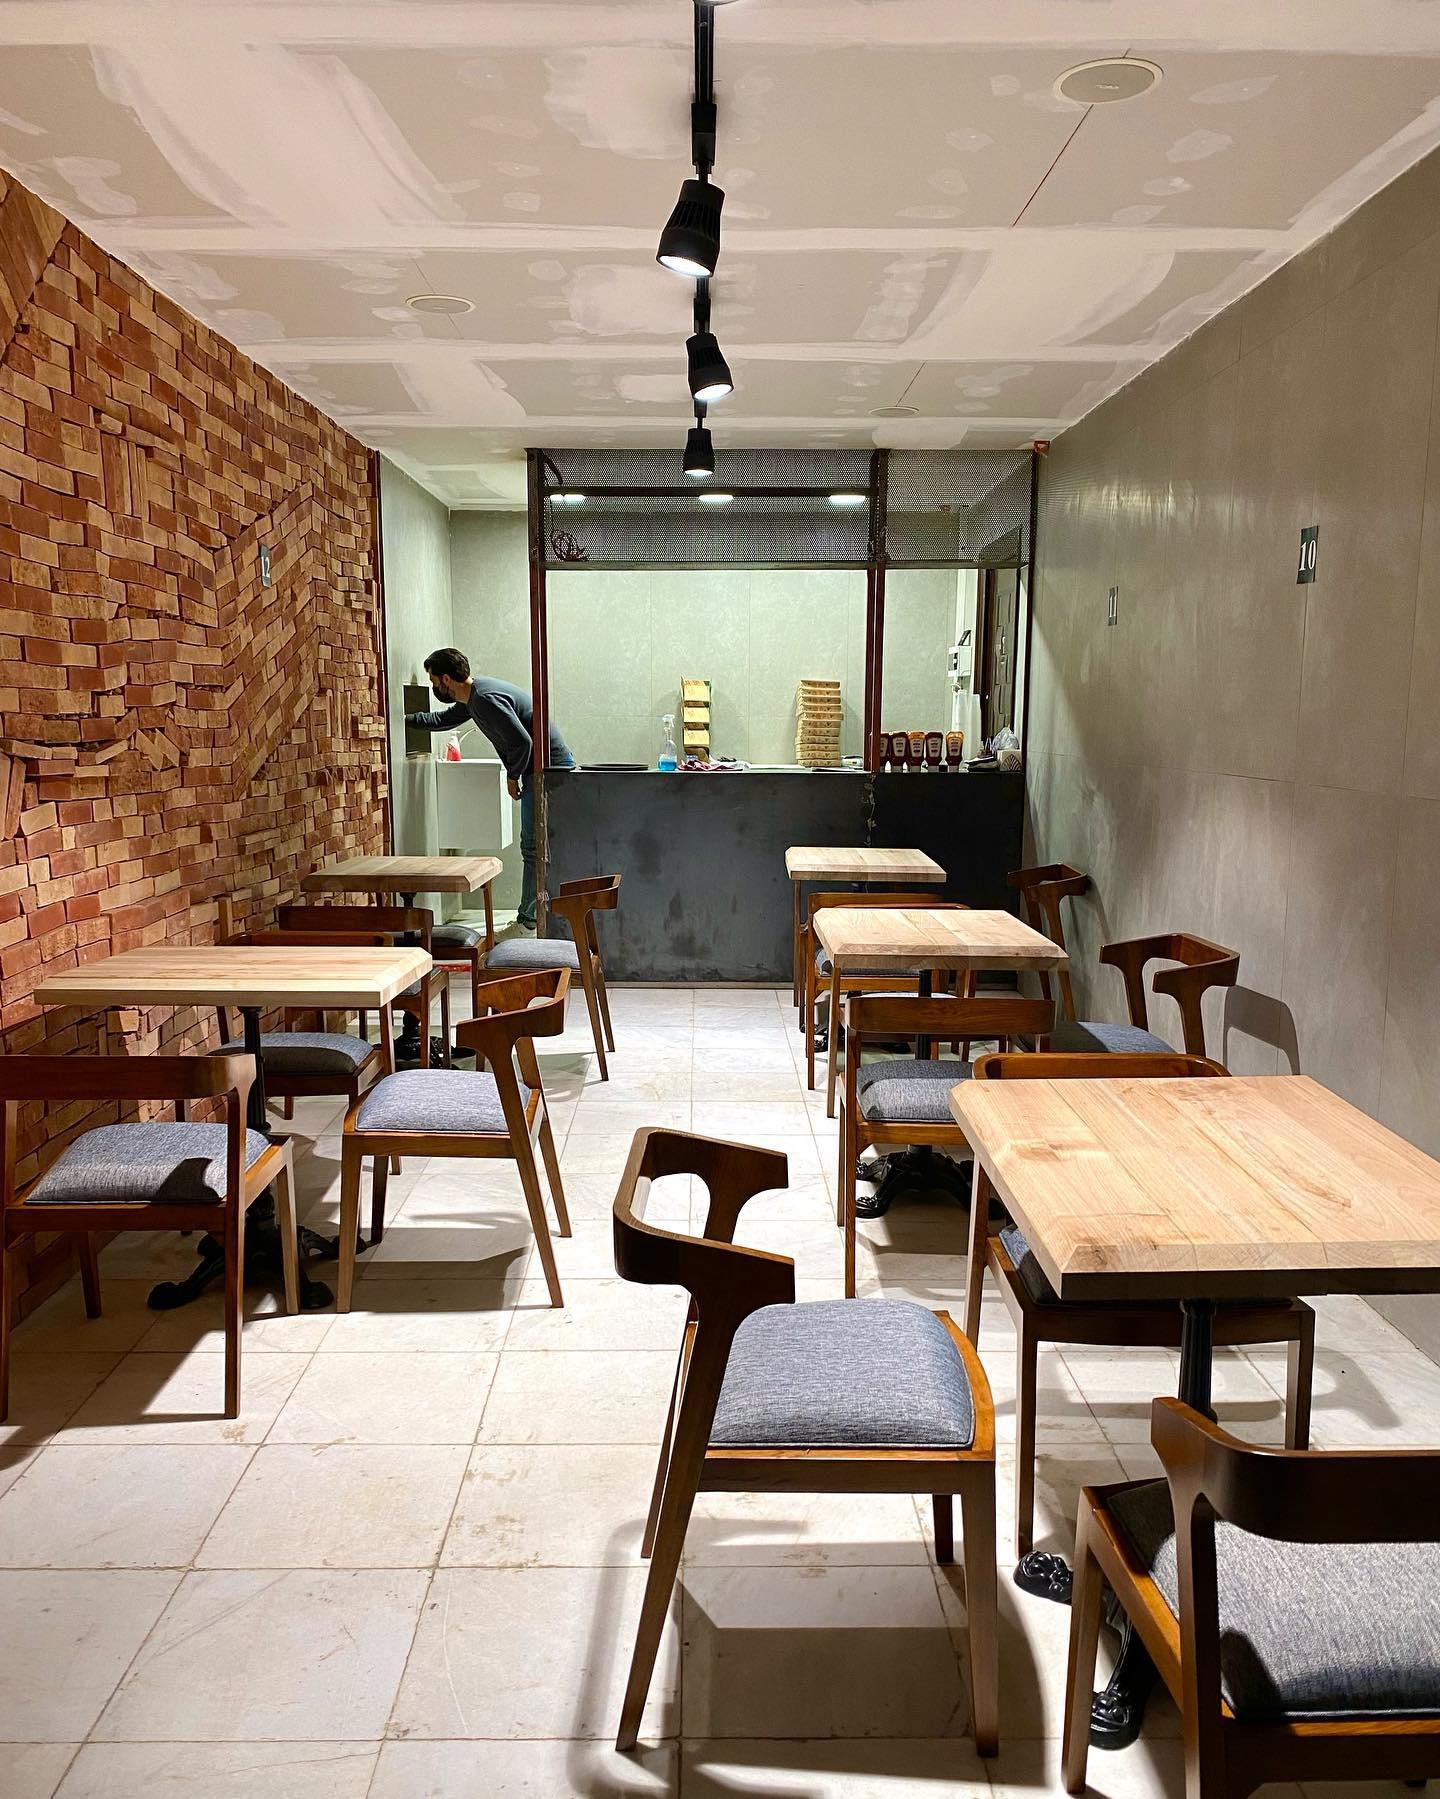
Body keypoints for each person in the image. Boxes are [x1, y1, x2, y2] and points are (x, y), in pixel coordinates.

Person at [405, 649, 575, 930]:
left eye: (434, 681)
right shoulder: (475, 697)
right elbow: (442, 720)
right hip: (545, 768)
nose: (435, 687)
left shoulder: (484, 699)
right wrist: (403, 718)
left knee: (534, 847)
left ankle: (529, 921)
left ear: (446, 679)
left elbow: (523, 743)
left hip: (548, 771)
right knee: (537, 846)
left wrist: (512, 776)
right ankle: (538, 918)